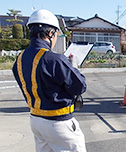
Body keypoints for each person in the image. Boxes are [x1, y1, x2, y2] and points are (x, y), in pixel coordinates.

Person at [12, 9, 87, 152]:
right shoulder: (54, 59)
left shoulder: (20, 59)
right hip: (58, 122)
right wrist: (73, 67)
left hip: (36, 119)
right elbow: (80, 87)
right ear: (50, 33)